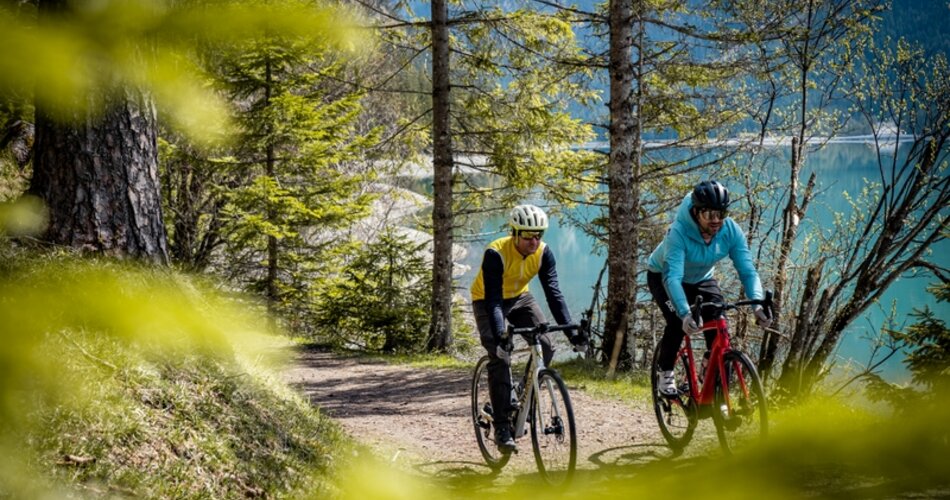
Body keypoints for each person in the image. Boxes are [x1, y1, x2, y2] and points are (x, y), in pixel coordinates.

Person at [470, 204, 588, 452]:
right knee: (499, 355)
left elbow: (553, 294)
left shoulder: (544, 253)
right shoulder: (496, 254)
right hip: (488, 301)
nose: (534, 241)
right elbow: (493, 300)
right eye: (528, 235)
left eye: (539, 235)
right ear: (514, 233)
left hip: (521, 298)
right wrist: (501, 336)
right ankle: (502, 425)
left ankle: (521, 392)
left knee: (545, 344)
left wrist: (572, 333)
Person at [646, 180, 771, 397]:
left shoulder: (730, 230)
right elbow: (673, 277)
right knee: (676, 322)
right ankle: (665, 371)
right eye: (709, 214)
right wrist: (685, 313)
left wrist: (757, 305)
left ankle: (709, 367)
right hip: (664, 277)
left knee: (719, 323)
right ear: (696, 212)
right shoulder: (678, 232)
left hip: (702, 279)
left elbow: (748, 271)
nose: (716, 221)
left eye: (721, 213)